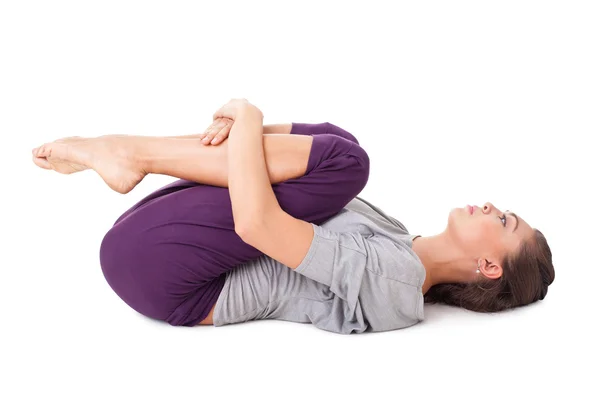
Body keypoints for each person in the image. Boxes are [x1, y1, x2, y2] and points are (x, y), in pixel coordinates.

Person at [31, 99, 555, 334]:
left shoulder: (400, 283)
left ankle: (130, 152)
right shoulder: (399, 238)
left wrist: (250, 115)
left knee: (346, 162)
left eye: (504, 221)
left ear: (490, 266)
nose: (491, 206)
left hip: (165, 275)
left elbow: (257, 226)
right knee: (343, 148)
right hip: (159, 238)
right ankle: (125, 151)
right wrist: (242, 125)